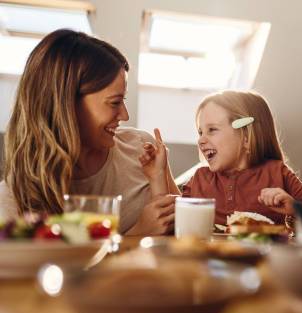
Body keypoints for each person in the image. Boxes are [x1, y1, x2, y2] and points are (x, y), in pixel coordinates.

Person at [0, 29, 178, 235]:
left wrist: (160, 180)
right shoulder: (17, 197)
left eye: (124, 100)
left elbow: (186, 235)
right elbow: (54, 266)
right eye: (114, 102)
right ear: (67, 105)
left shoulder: (141, 147)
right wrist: (137, 234)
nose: (125, 115)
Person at [139, 90, 302, 225]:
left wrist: (294, 208)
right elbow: (171, 221)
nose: (201, 140)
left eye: (212, 130)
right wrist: (158, 173)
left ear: (245, 136)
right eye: (200, 132)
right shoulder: (200, 179)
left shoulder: (278, 173)